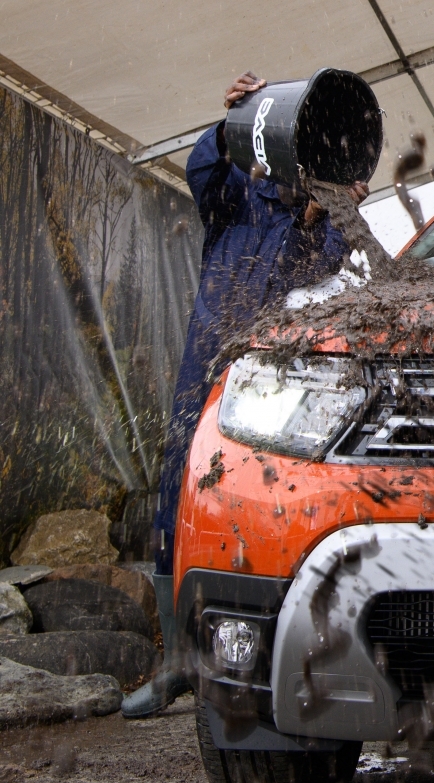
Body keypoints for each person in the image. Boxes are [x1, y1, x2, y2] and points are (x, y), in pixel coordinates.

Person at [123, 72, 369, 717]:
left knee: (247, 502)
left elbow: (312, 265)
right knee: (177, 492)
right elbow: (203, 169)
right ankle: (174, 661)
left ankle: (242, 655)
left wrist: (324, 212)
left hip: (263, 386)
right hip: (203, 367)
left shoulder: (321, 225)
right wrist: (237, 118)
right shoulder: (237, 200)